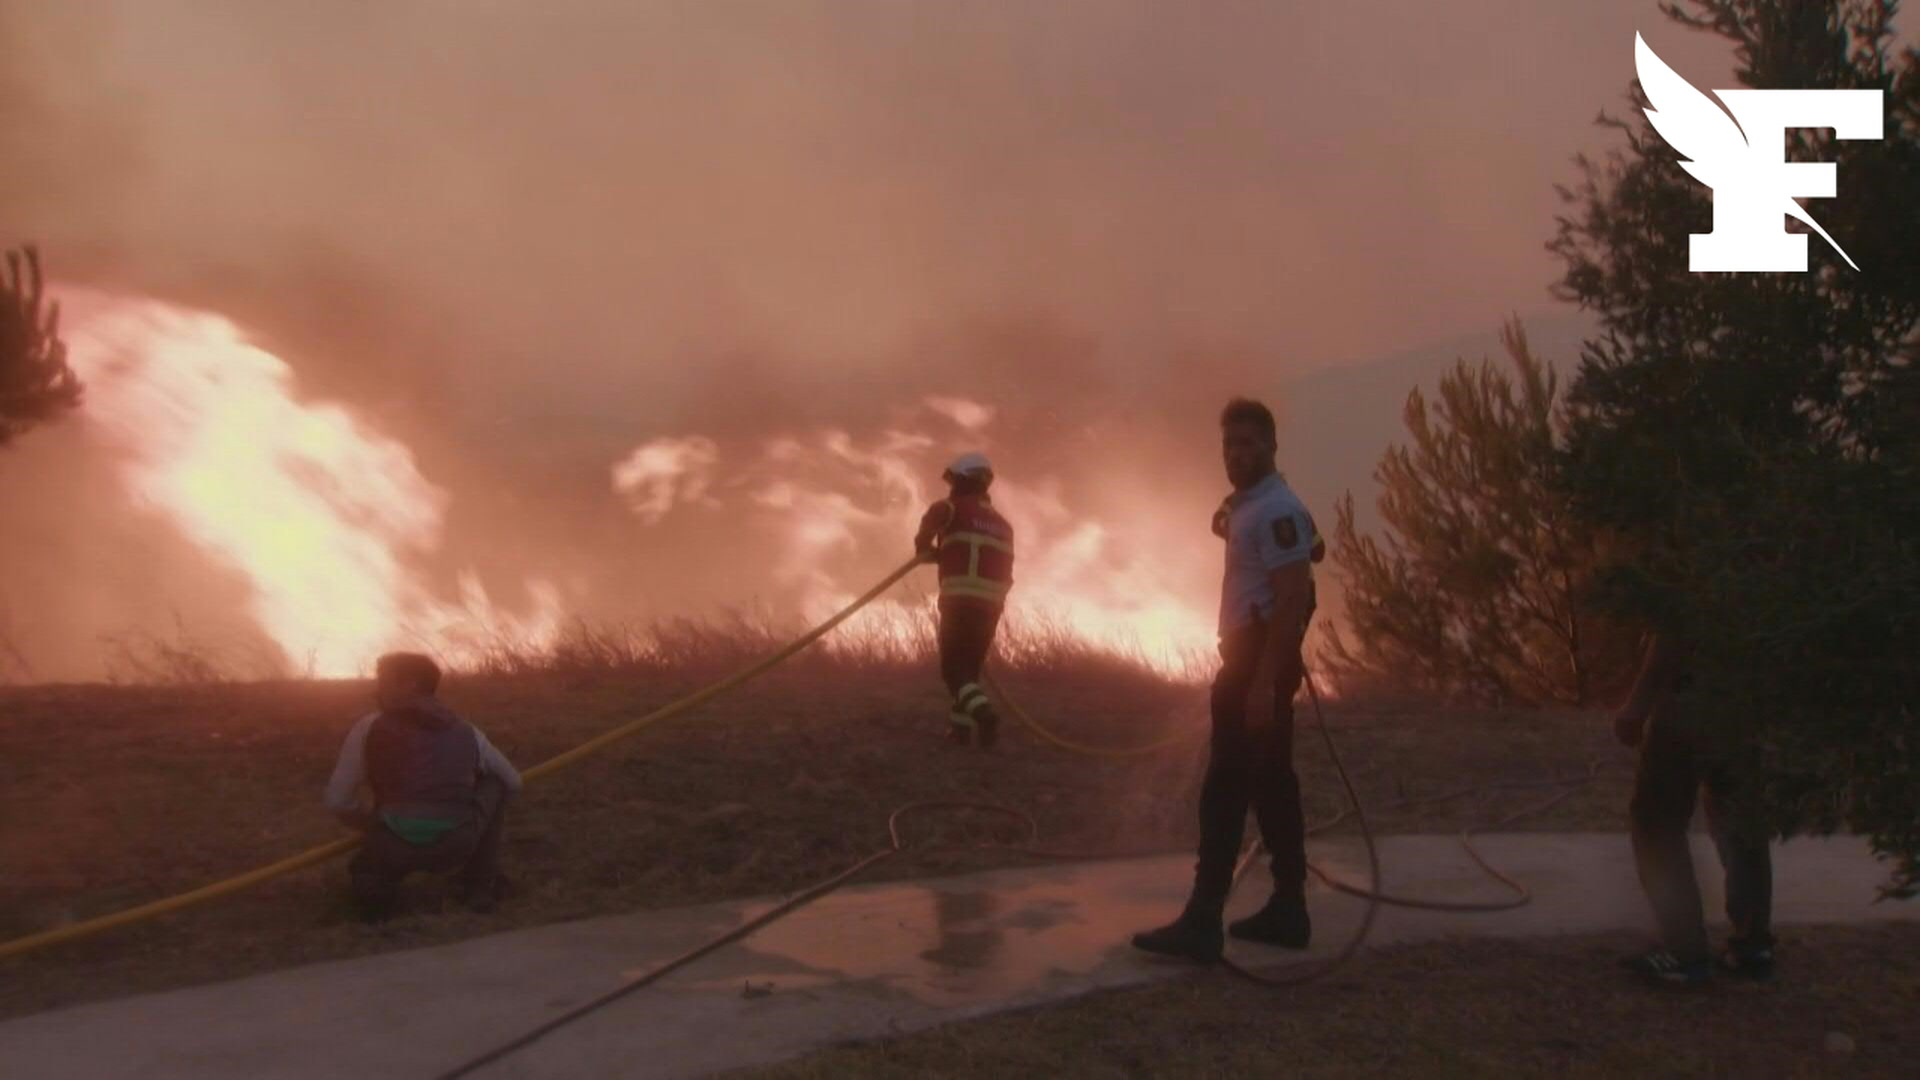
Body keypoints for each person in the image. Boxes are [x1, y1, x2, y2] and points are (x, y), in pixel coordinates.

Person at [1132, 397, 1326, 963]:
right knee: (1271, 783)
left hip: (1256, 659)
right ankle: (1289, 910)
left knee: (1225, 788)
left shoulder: (1275, 509)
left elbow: (1291, 597)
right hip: (1251, 654)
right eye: (1229, 445)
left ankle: (1202, 918)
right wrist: (1230, 518)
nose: (1237, 454)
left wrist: (1265, 683)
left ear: (1271, 445)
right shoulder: (1254, 506)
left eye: (1248, 443)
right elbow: (1312, 546)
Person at [1616, 631, 1775, 984]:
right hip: (1743, 711)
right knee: (1739, 820)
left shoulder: (1692, 579)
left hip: (1687, 708)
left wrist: (1636, 705)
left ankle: (1684, 953)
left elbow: (1673, 630)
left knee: (1657, 826)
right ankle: (1752, 946)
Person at [323, 651, 522, 921]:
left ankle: (376, 887)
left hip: (390, 843)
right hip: (456, 844)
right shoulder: (467, 731)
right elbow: (513, 781)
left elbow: (338, 800)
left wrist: (370, 824)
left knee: (372, 867)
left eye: (383, 681)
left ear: (411, 684)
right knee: (495, 781)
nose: (376, 689)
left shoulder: (369, 727)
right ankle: (479, 884)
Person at [913, 451, 1015, 748]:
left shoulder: (950, 508)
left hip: (960, 601)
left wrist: (923, 549)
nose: (951, 487)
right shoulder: (1002, 524)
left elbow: (931, 522)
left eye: (954, 481)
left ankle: (984, 715)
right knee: (970, 669)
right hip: (992, 605)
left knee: (953, 671)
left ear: (963, 480)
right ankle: (961, 732)